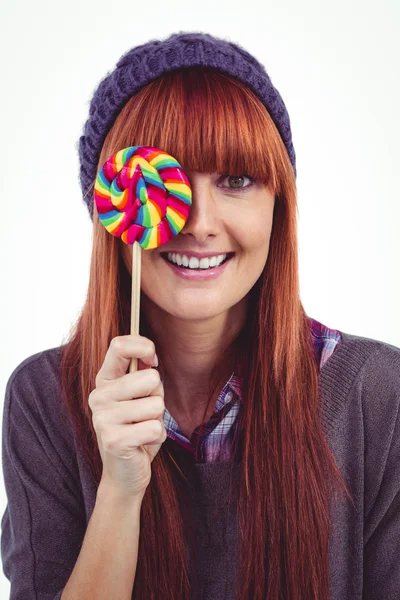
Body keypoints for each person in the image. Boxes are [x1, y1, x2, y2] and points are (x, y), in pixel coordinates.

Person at [1, 31, 400, 600]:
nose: (199, 221)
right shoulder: (43, 401)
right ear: (112, 212)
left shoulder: (378, 396)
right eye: (164, 182)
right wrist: (119, 489)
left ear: (278, 206)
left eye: (236, 180)